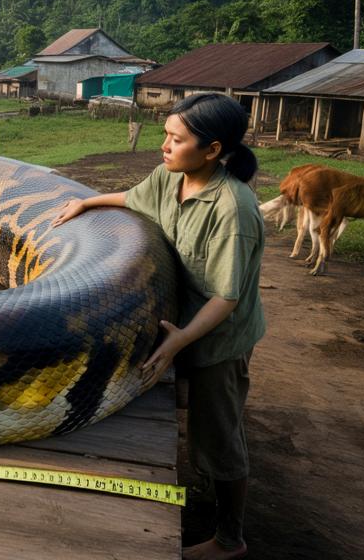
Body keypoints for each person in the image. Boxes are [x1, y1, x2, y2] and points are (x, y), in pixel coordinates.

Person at [53, 92, 264, 560]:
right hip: (183, 321)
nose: (164, 146)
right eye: (165, 135)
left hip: (218, 338)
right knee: (188, 411)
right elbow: (132, 198)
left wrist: (180, 341)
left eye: (176, 139)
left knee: (218, 434)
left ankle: (231, 538)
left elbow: (226, 297)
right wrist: (86, 204)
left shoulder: (233, 209)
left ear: (212, 150)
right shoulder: (173, 179)